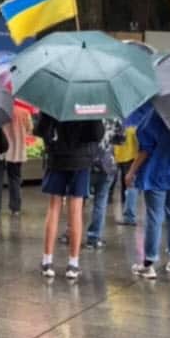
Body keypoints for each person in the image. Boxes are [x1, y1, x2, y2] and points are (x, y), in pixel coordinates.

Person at [126, 107, 170, 279]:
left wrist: (131, 171)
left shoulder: (155, 115)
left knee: (154, 217)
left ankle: (149, 263)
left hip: (156, 172)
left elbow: (146, 148)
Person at [36, 113, 104, 280]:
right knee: (76, 210)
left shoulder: (54, 99)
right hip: (81, 161)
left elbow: (40, 129)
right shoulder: (88, 102)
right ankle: (73, 264)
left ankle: (47, 261)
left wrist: (50, 143)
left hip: (57, 158)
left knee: (54, 207)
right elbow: (97, 133)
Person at [85, 119, 124, 248]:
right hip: (107, 164)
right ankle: (94, 238)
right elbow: (121, 139)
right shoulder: (114, 116)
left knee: (77, 201)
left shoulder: (85, 112)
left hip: (86, 163)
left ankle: (71, 233)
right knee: (100, 203)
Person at [1, 104, 33, 216]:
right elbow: (30, 128)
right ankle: (16, 207)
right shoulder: (24, 112)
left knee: (0, 178)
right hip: (19, 150)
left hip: (5, 151)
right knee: (15, 178)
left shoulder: (3, 113)